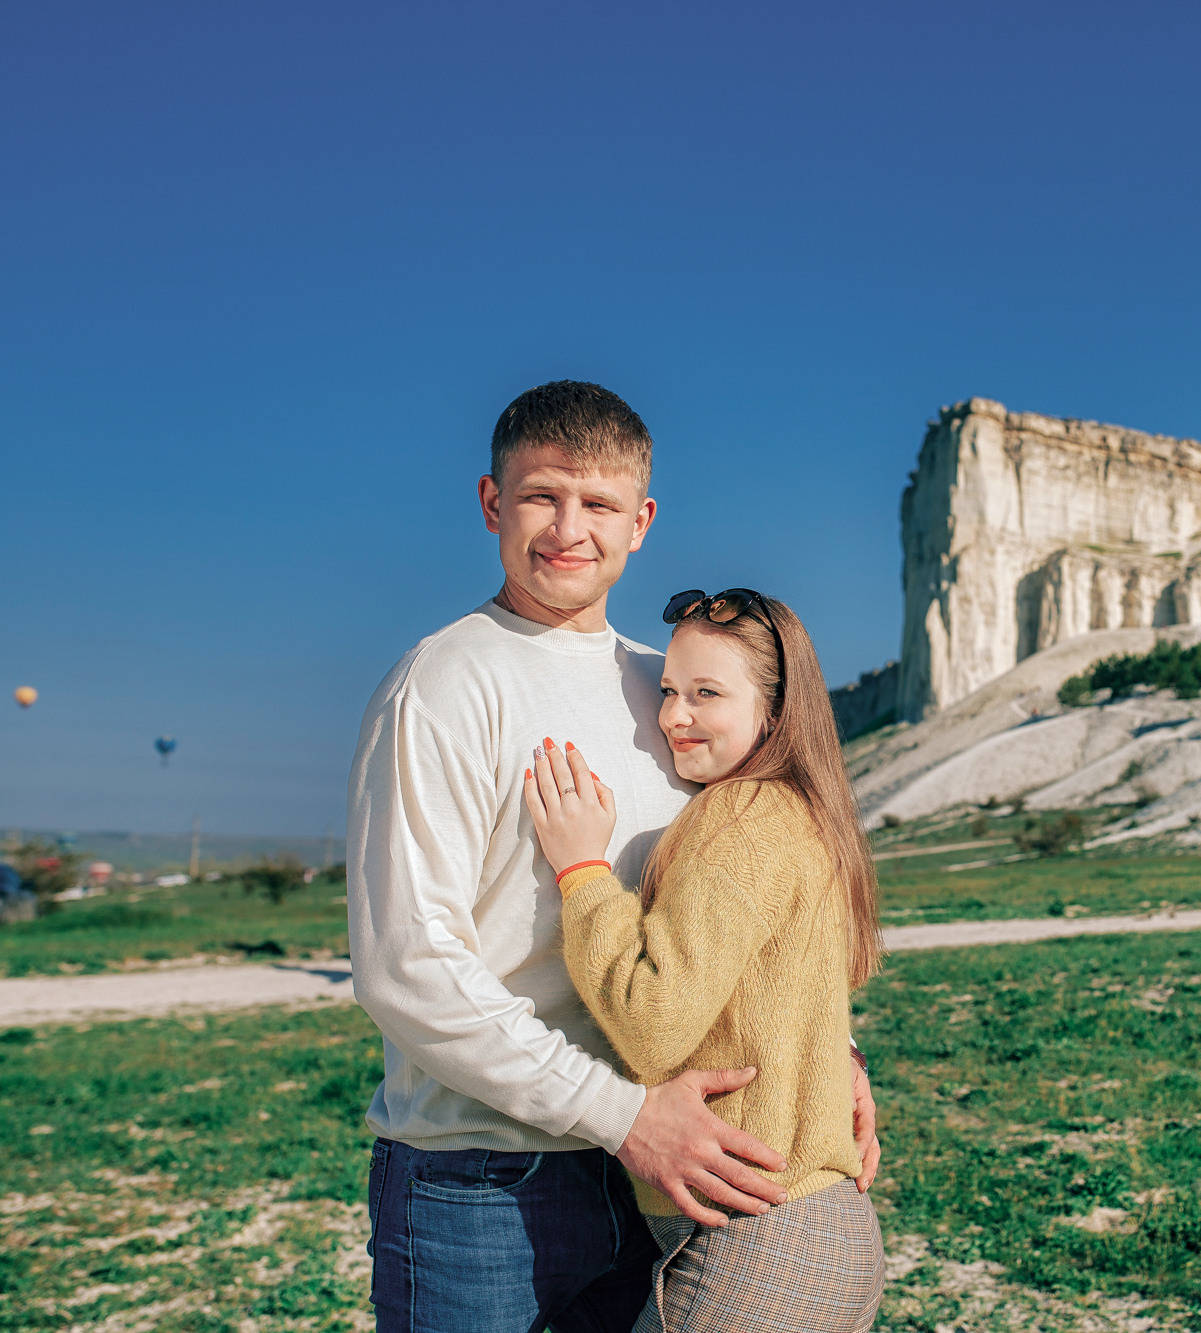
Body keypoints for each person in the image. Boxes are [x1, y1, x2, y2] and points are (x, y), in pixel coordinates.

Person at [346, 383, 879, 1332]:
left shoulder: (671, 685)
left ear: (642, 520)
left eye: (597, 504)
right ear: (490, 503)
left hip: (659, 1180)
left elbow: (741, 910)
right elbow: (407, 967)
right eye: (540, 496)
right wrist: (622, 1116)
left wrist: (825, 1052)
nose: (568, 529)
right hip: (484, 1181)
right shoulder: (443, 685)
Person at [523, 587, 885, 1331]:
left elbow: (653, 1020)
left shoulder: (737, 817)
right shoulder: (801, 812)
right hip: (831, 1231)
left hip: (757, 1244)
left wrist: (582, 870)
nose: (671, 716)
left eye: (706, 693)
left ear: (775, 713)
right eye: (668, 691)